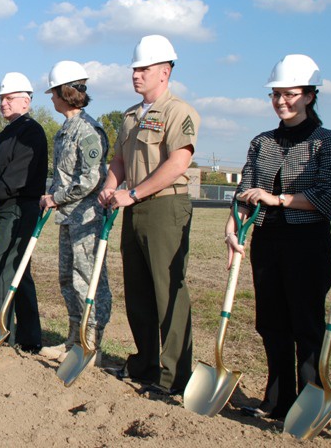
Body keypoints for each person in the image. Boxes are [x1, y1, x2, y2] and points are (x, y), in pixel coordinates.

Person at [226, 54, 331, 419]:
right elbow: (244, 191)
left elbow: (329, 197)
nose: (281, 101)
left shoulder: (327, 142)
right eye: (276, 94)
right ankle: (277, 402)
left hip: (306, 245)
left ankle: (310, 406)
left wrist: (277, 199)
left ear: (310, 96)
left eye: (290, 94)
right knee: (272, 324)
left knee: (305, 326)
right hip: (267, 243)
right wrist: (234, 225)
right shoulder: (262, 142)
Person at [98, 35, 199, 395]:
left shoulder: (178, 112)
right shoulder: (129, 116)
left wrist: (135, 193)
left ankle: (175, 377)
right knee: (138, 290)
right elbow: (120, 160)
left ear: (165, 72)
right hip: (132, 206)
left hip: (164, 206)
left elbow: (178, 163)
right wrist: (111, 186)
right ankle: (145, 364)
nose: (136, 75)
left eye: (144, 69)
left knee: (167, 291)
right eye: (134, 69)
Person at [0, 72, 48, 353]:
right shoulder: (7, 132)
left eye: (9, 98)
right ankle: (29, 337)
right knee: (18, 271)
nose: (3, 102)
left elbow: (16, 175)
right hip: (5, 208)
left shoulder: (30, 131)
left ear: (25, 101)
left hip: (19, 208)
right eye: (1, 98)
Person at [38, 61, 111, 363]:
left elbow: (91, 178)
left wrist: (56, 197)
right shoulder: (65, 129)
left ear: (64, 93)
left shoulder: (88, 130)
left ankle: (89, 344)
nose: (51, 98)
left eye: (53, 92)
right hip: (69, 218)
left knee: (88, 280)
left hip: (87, 217)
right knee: (68, 280)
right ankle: (73, 340)